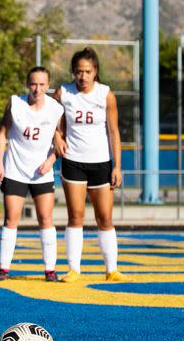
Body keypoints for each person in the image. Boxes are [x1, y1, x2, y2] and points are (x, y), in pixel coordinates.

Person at [53, 48, 130, 283]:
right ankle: (74, 269)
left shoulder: (106, 95)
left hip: (101, 163)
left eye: (87, 71)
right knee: (75, 216)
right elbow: (53, 122)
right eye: (78, 71)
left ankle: (111, 269)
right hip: (73, 161)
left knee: (104, 217)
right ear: (73, 72)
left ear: (95, 71)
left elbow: (114, 131)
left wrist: (117, 166)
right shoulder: (63, 93)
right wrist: (56, 136)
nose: (83, 76)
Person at [0, 66, 63, 282]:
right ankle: (3, 268)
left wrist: (51, 161)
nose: (37, 89)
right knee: (11, 219)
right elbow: (2, 134)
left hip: (42, 173)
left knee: (46, 219)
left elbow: (61, 140)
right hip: (15, 170)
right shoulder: (15, 103)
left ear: (48, 86)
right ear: (27, 84)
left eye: (42, 84)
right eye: (33, 83)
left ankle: (50, 269)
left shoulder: (55, 109)